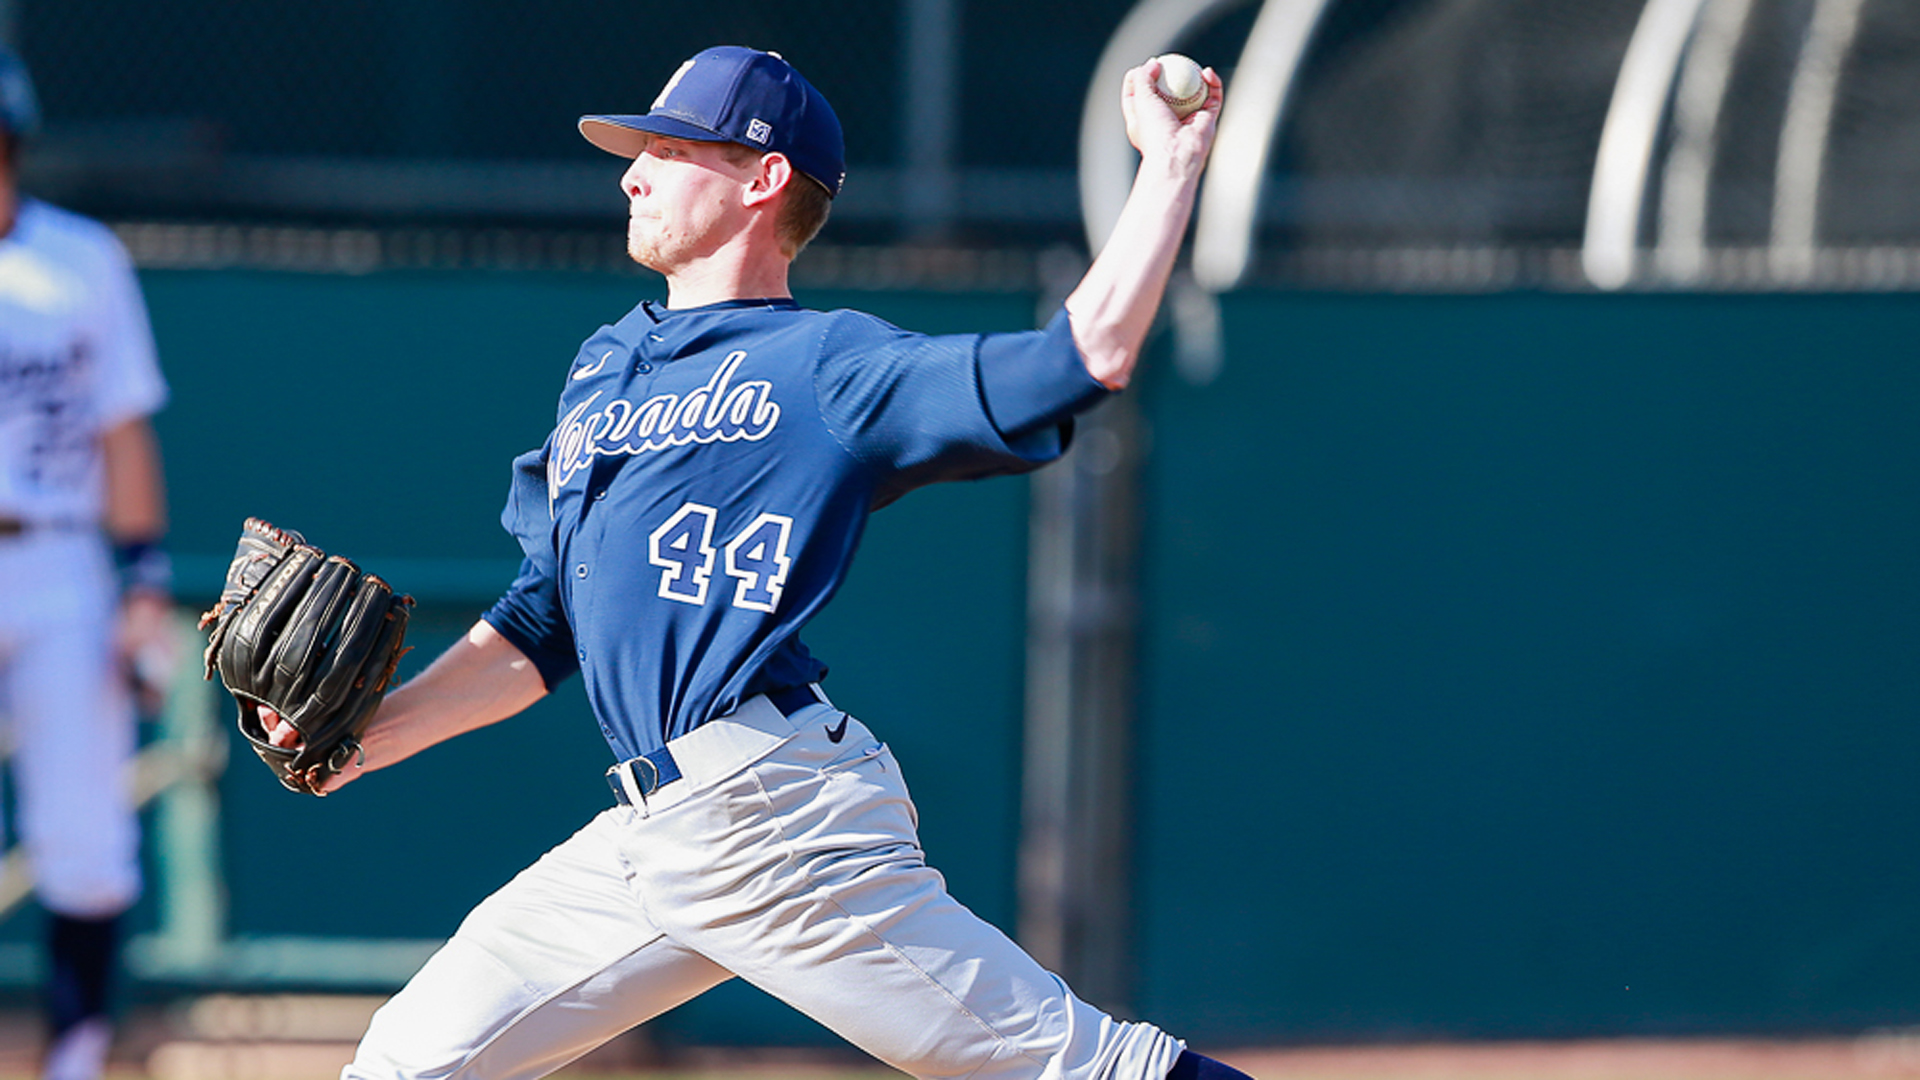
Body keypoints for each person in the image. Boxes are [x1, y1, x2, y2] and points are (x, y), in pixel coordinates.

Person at [266, 45, 1246, 1080]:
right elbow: (542, 621)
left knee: (1085, 1068)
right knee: (404, 1063)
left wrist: (1170, 165)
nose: (633, 175)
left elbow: (1080, 359)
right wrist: (362, 740)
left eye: (670, 151)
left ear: (763, 178)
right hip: (645, 835)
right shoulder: (605, 366)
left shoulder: (826, 366)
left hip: (769, 818)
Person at [0, 46, 174, 1080]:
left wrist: (144, 578)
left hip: (60, 555)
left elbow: (123, 429)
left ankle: (75, 1057)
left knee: (83, 831)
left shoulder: (81, 258)